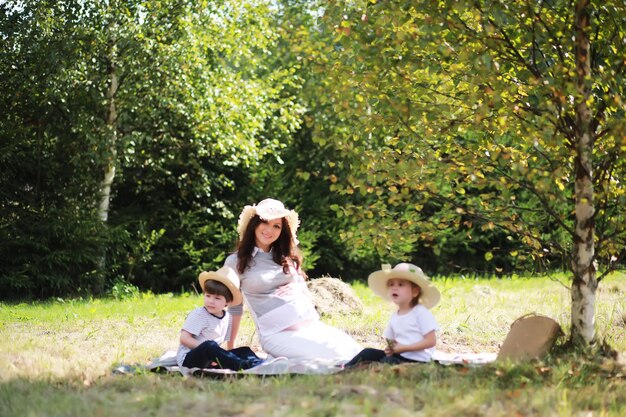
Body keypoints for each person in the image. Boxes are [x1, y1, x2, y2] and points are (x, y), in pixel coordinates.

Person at [224, 198, 363, 361]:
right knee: (337, 357)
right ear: (254, 223)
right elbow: (234, 307)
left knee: (357, 352)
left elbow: (303, 290)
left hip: (308, 325)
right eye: (266, 222)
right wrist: (231, 346)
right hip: (275, 334)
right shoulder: (236, 262)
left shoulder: (286, 258)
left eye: (277, 226)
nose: (270, 230)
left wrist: (297, 289)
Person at [344, 262, 440, 367]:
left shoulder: (420, 313)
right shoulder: (395, 315)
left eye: (401, 284)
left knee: (388, 362)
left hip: (417, 361)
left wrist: (403, 348)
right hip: (399, 356)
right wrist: (391, 348)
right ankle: (346, 367)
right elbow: (391, 339)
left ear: (415, 292)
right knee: (368, 352)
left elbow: (430, 341)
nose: (394, 288)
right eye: (391, 284)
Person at [176, 266, 264, 371]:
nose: (211, 301)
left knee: (244, 351)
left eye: (217, 298)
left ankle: (258, 364)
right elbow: (184, 339)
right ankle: (242, 366)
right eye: (208, 296)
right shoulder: (199, 315)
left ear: (227, 302)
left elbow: (223, 345)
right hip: (189, 359)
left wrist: (219, 356)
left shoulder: (227, 317)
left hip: (210, 358)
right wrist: (212, 351)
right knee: (209, 345)